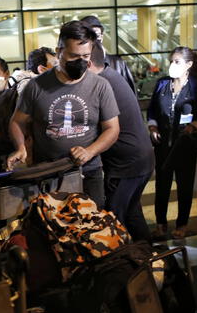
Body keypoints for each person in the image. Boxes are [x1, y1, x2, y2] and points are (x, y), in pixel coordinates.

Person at [8, 21, 120, 207]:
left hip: (88, 172)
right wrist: (21, 147)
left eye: (85, 56)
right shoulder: (36, 86)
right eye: (74, 56)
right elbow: (16, 122)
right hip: (48, 173)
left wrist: (90, 151)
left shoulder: (100, 86)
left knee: (93, 230)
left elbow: (112, 128)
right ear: (59, 51)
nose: (80, 62)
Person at [88, 41, 155, 243]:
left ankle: (128, 265)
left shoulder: (101, 84)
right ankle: (151, 261)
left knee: (115, 219)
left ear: (88, 61)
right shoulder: (110, 75)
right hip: (140, 159)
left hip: (127, 165)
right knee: (132, 214)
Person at [147, 46, 197, 240]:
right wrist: (153, 127)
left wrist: (195, 125)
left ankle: (182, 224)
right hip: (163, 145)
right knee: (162, 185)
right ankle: (161, 224)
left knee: (184, 186)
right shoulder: (162, 84)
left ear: (189, 65)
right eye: (171, 61)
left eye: (177, 62)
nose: (172, 65)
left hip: (186, 145)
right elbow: (152, 111)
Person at [81, 15, 137, 95]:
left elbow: (131, 95)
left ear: (102, 37)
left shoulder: (118, 64)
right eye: (87, 35)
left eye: (96, 35)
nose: (92, 40)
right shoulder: (77, 65)